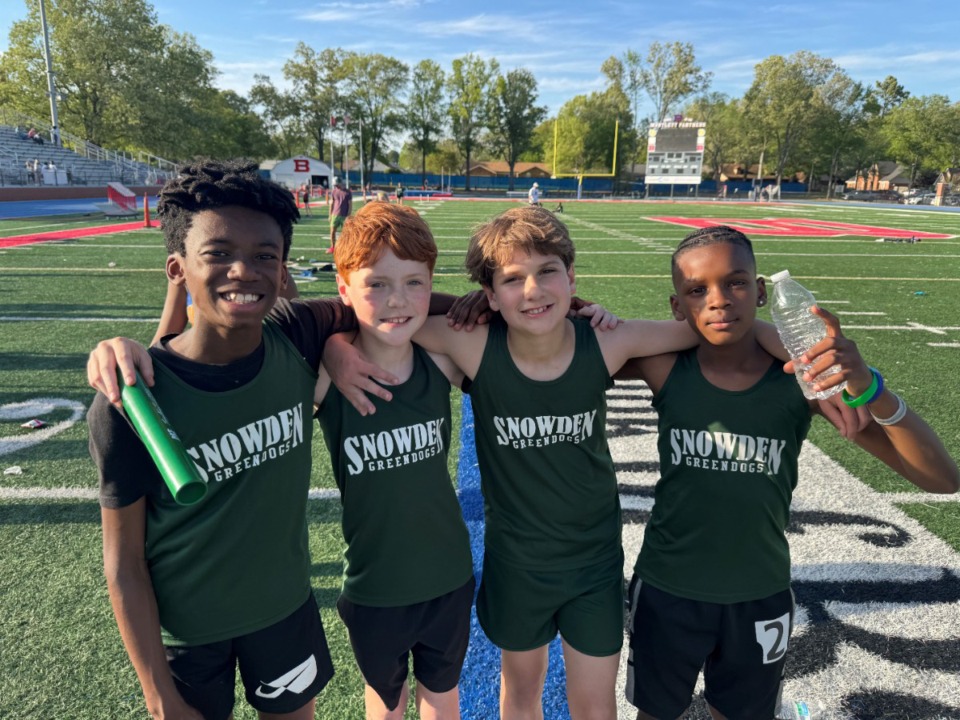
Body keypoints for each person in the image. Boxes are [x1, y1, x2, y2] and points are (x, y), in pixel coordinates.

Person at [403, 207, 797, 720]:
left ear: (571, 276)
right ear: (492, 295)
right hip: (517, 564)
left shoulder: (607, 341)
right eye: (511, 280)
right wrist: (461, 302)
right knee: (521, 692)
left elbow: (710, 329)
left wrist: (779, 341)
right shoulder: (471, 344)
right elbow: (389, 313)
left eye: (547, 272)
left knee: (594, 705)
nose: (533, 290)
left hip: (593, 564)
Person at [84, 159, 399, 720]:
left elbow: (396, 307)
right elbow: (123, 565)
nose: (243, 271)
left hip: (283, 612)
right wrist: (158, 696)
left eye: (264, 256)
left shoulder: (295, 334)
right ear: (177, 268)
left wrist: (506, 305)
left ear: (282, 272)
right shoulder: (131, 401)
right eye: (219, 254)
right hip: (187, 637)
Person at [615, 225, 959, 720]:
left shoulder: (801, 382)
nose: (718, 300)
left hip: (760, 593)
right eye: (697, 290)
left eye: (735, 283)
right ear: (677, 306)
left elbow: (940, 478)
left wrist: (872, 388)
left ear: (759, 291)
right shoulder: (665, 366)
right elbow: (558, 346)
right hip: (667, 591)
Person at [315, 201, 474, 719]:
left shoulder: (440, 358)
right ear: (344, 289)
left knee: (442, 698)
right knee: (385, 702)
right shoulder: (322, 375)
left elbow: (514, 318)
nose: (397, 300)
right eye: (377, 284)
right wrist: (335, 345)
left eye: (413, 283)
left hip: (448, 576)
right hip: (374, 584)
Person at [328, 176, 352, 254]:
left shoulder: (348, 192)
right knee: (332, 232)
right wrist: (330, 215)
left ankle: (346, 248)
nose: (336, 186)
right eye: (335, 185)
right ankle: (332, 247)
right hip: (335, 215)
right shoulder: (334, 192)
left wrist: (348, 215)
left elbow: (350, 205)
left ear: (340, 183)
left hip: (344, 216)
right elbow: (331, 203)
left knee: (346, 233)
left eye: (337, 184)